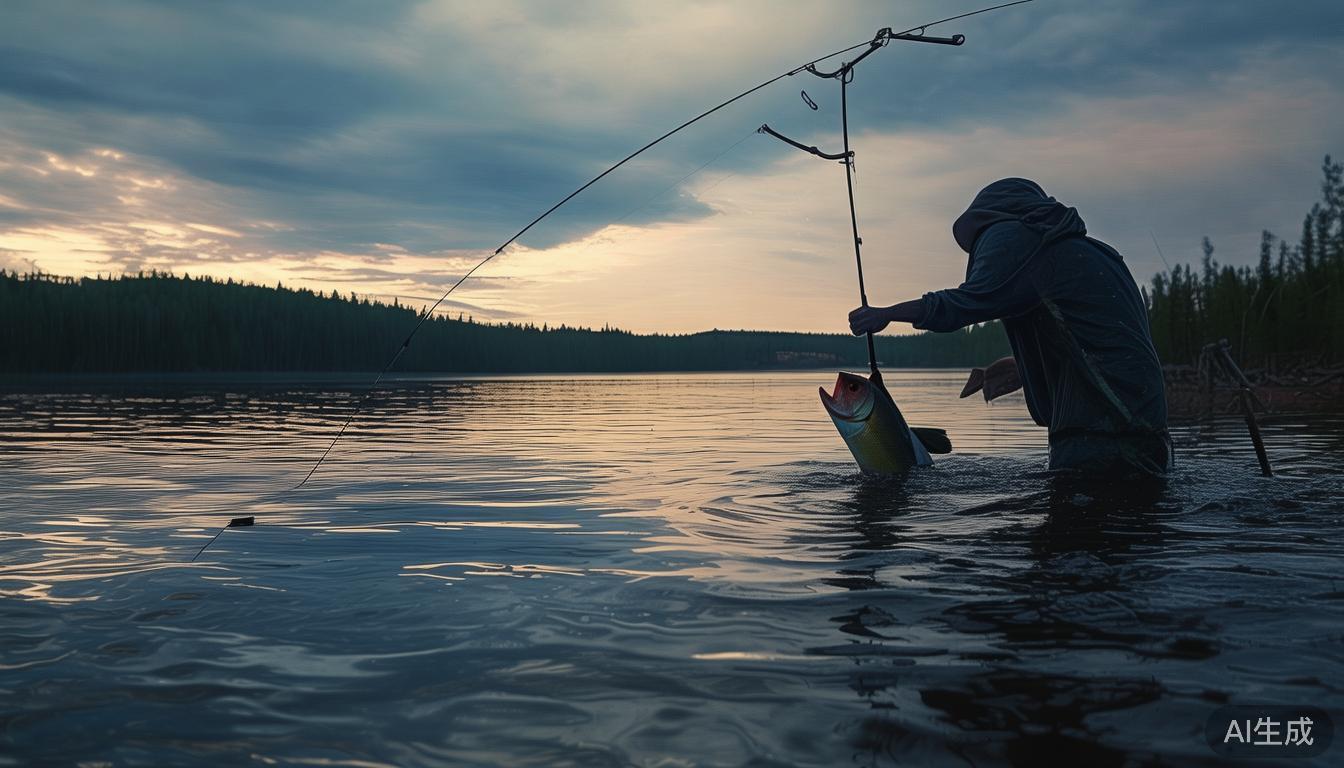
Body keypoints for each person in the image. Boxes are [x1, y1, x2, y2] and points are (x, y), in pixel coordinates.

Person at [847, 178, 1171, 478]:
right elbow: (1102, 341)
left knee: (1083, 530)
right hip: (1146, 431)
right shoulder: (1095, 254)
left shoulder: (1019, 238)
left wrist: (887, 314)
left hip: (1103, 440)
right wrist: (1023, 367)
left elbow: (965, 302)